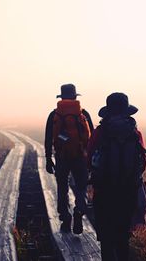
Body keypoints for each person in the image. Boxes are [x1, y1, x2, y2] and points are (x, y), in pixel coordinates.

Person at [87, 93, 146, 261]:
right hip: (128, 192)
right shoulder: (135, 133)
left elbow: (89, 159)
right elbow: (143, 164)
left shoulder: (100, 133)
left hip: (103, 192)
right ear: (127, 111)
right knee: (123, 237)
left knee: (106, 238)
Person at [45, 84, 94, 234]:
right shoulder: (83, 114)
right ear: (75, 97)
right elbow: (92, 138)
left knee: (62, 187)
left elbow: (48, 138)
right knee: (81, 187)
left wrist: (48, 158)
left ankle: (65, 218)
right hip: (80, 157)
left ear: (61, 97)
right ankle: (79, 210)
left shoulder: (54, 115)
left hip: (61, 157)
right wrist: (91, 159)